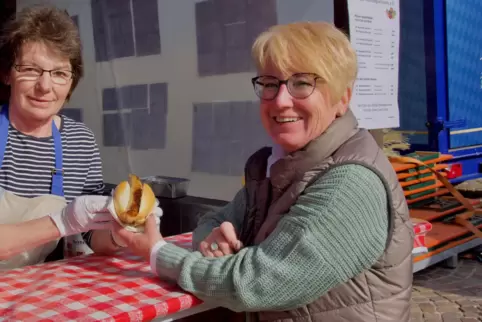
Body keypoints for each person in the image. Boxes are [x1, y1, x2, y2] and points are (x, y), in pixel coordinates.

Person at [116, 21, 415, 322]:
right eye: (271, 83)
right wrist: (213, 239)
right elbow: (213, 220)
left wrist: (157, 252)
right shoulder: (278, 164)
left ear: (342, 98)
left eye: (302, 83)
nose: (281, 100)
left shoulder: (351, 182)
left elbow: (255, 283)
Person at [0, 5, 121, 265]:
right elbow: (68, 221)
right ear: (8, 73)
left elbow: (90, 234)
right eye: (30, 69)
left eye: (59, 73)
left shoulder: (80, 142)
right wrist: (61, 221)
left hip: (36, 293)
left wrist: (120, 230)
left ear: (70, 83)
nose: (45, 86)